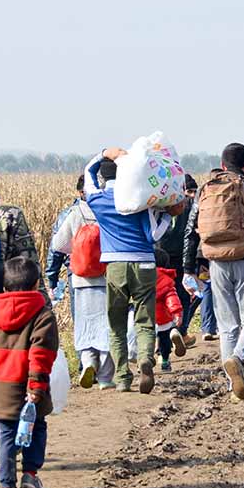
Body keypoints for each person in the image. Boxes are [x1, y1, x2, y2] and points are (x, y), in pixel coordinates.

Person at [184, 143, 244, 400]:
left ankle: (231, 384)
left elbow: (191, 230)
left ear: (222, 165)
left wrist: (189, 269)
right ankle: (238, 358)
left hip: (216, 262)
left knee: (227, 326)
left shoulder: (206, 188)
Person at [84, 148, 181, 394]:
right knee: (145, 320)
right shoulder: (139, 199)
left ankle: (123, 378)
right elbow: (154, 234)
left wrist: (104, 153)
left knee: (116, 324)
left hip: (114, 265)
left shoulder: (97, 199)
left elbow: (88, 173)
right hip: (145, 264)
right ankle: (147, 359)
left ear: (104, 178)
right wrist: (168, 217)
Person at [0, 257, 59, 488]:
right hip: (30, 387)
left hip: (0, 386)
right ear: (37, 284)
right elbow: (41, 352)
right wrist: (37, 384)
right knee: (36, 429)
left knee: (5, 436)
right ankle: (30, 474)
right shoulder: (42, 314)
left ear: (4, 287)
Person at [49, 175, 115, 391]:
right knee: (106, 325)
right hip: (105, 277)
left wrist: (76, 251)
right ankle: (105, 377)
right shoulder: (107, 211)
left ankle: (87, 364)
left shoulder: (74, 213)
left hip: (79, 278)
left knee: (85, 324)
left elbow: (57, 245)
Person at [157, 175, 199, 347]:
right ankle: (181, 331)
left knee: (162, 295)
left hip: (160, 256)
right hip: (182, 256)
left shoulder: (160, 203)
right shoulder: (188, 206)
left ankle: (162, 336)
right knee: (183, 295)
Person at [44, 175, 85, 303]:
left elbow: (56, 249)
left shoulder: (68, 214)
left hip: (76, 271)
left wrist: (52, 281)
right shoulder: (109, 210)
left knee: (79, 315)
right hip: (105, 271)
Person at [154, 249, 186, 371]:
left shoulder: (143, 277)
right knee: (164, 340)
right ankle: (165, 360)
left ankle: (144, 359)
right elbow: (171, 297)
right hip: (164, 318)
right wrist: (177, 313)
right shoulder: (167, 279)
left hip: (146, 315)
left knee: (146, 339)